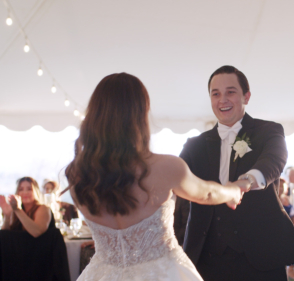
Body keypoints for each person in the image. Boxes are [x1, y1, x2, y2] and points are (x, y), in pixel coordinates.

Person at [64, 73, 247, 281]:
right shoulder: (165, 167)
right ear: (140, 114)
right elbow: (208, 193)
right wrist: (233, 191)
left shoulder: (77, 176)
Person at [179, 65, 294, 281]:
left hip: (261, 256)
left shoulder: (269, 131)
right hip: (207, 258)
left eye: (231, 92)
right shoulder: (194, 145)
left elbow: (273, 161)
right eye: (216, 94)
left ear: (246, 96)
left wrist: (245, 182)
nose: (222, 100)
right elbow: (175, 182)